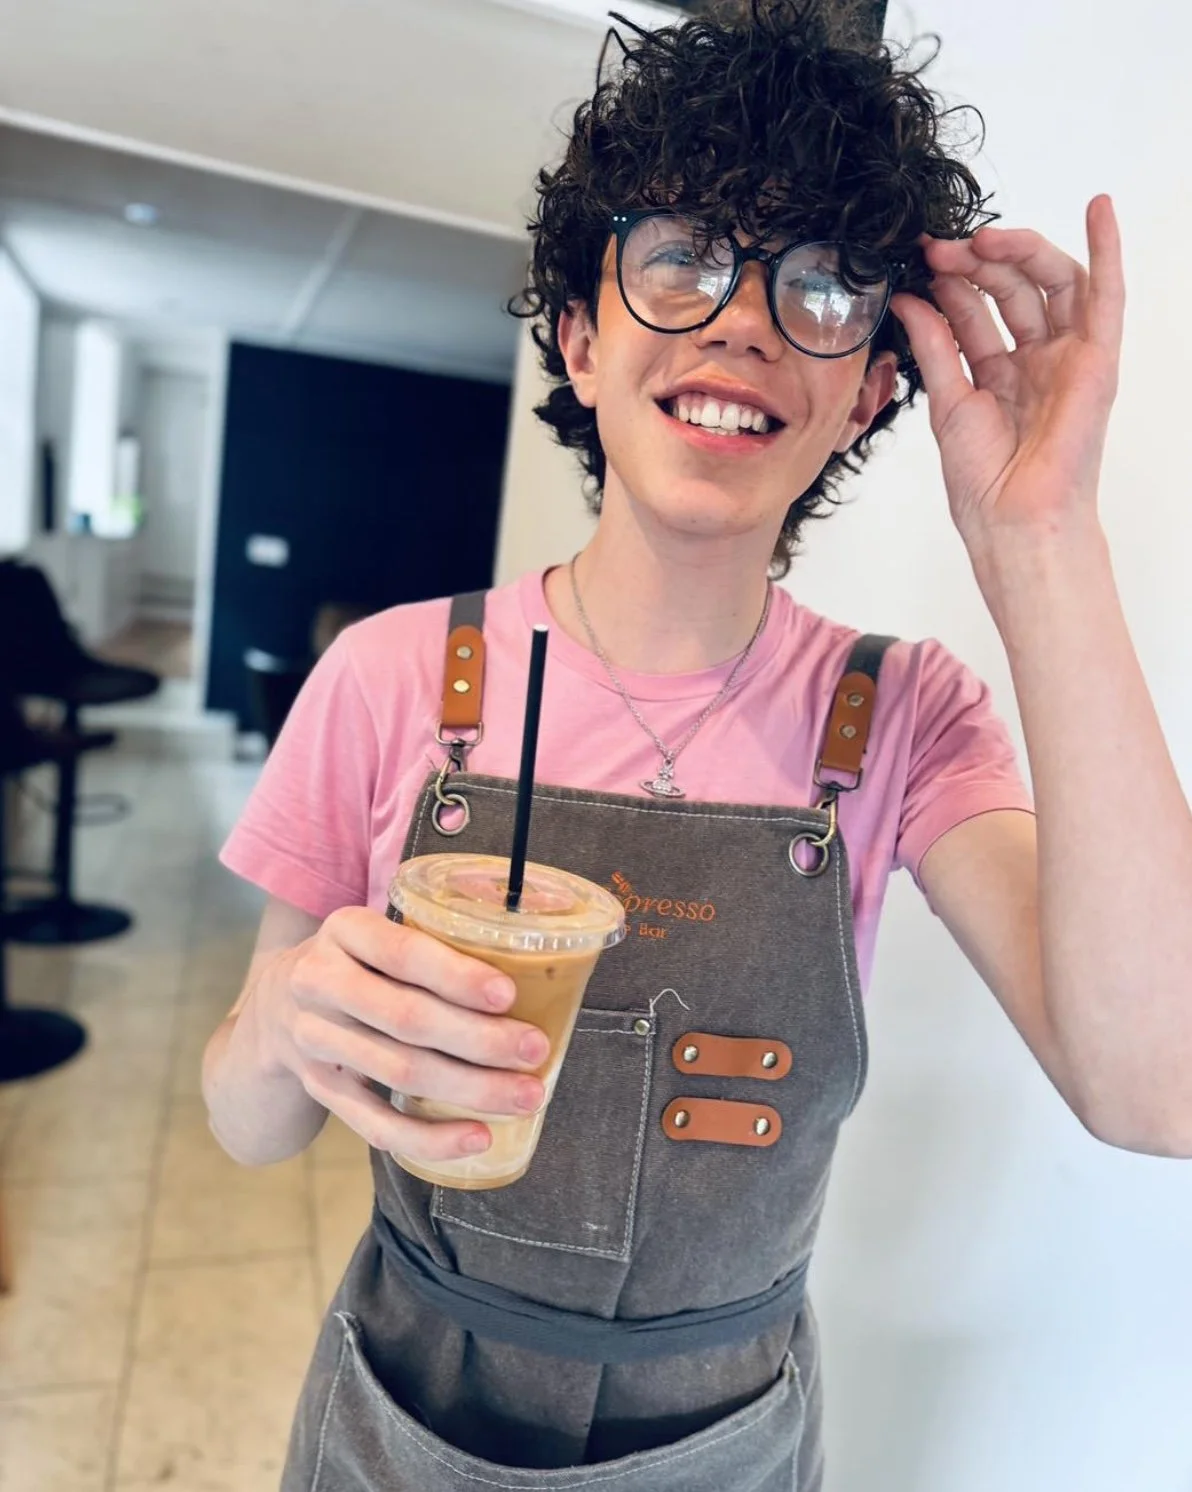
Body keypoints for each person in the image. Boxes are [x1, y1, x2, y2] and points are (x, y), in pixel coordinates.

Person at [202, 3, 1191, 1488]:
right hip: (398, 1420)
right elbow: (246, 1122)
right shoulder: (395, 671)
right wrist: (284, 1021)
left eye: (820, 286)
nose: (741, 317)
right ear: (582, 337)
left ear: (868, 391)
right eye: (683, 255)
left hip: (722, 1449)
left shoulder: (906, 719)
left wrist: (1041, 538)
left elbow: (1159, 1086)